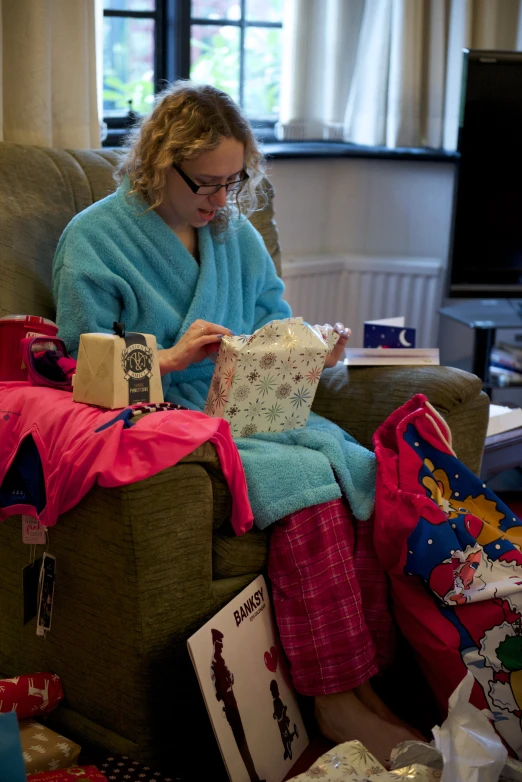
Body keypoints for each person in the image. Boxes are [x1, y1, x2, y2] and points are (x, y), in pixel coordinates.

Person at [52, 81, 421, 764]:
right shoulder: (95, 241)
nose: (222, 201)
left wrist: (307, 344)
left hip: (250, 409)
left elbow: (269, 322)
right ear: (158, 161)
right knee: (304, 484)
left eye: (234, 182)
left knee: (359, 469)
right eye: (207, 184)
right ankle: (335, 701)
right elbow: (82, 368)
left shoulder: (233, 233)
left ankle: (368, 690)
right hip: (162, 417)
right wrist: (171, 356)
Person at [210, 628, 265, 782]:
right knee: (241, 744)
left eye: (221, 644)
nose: (220, 646)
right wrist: (226, 685)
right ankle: (253, 777)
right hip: (230, 709)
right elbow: (217, 694)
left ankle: (254, 775)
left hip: (235, 704)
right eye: (218, 644)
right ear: (214, 644)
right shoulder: (214, 665)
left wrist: (230, 679)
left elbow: (231, 677)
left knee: (247, 740)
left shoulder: (222, 662)